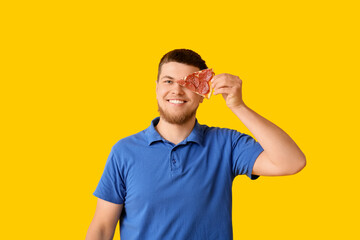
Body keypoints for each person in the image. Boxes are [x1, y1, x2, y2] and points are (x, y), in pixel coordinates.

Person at [85, 49, 306, 240]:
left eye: (188, 84)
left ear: (203, 94)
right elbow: (102, 228)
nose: (177, 91)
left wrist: (239, 106)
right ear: (156, 88)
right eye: (168, 81)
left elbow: (291, 162)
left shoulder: (227, 144)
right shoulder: (124, 151)